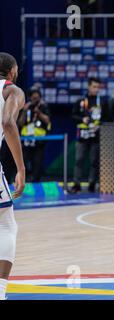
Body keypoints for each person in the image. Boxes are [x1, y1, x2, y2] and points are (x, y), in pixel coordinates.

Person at [0, 52, 26, 301]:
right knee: (7, 224)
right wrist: (20, 167)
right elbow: (8, 122)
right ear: (12, 71)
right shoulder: (12, 91)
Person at [70, 77, 109, 193]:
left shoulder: (102, 102)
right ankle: (76, 184)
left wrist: (100, 126)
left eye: (98, 87)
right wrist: (83, 119)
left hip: (96, 136)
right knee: (79, 160)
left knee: (94, 162)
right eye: (94, 87)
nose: (96, 89)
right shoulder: (81, 101)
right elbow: (73, 116)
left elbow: (107, 119)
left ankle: (92, 184)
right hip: (82, 136)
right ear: (88, 86)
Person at [17, 88, 51, 182]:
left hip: (39, 140)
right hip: (26, 141)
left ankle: (36, 181)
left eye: (37, 98)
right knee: (23, 162)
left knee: (37, 163)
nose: (35, 100)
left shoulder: (44, 107)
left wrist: (39, 113)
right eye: (33, 98)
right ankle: (24, 181)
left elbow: (47, 121)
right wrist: (24, 111)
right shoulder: (25, 107)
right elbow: (20, 123)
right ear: (30, 98)